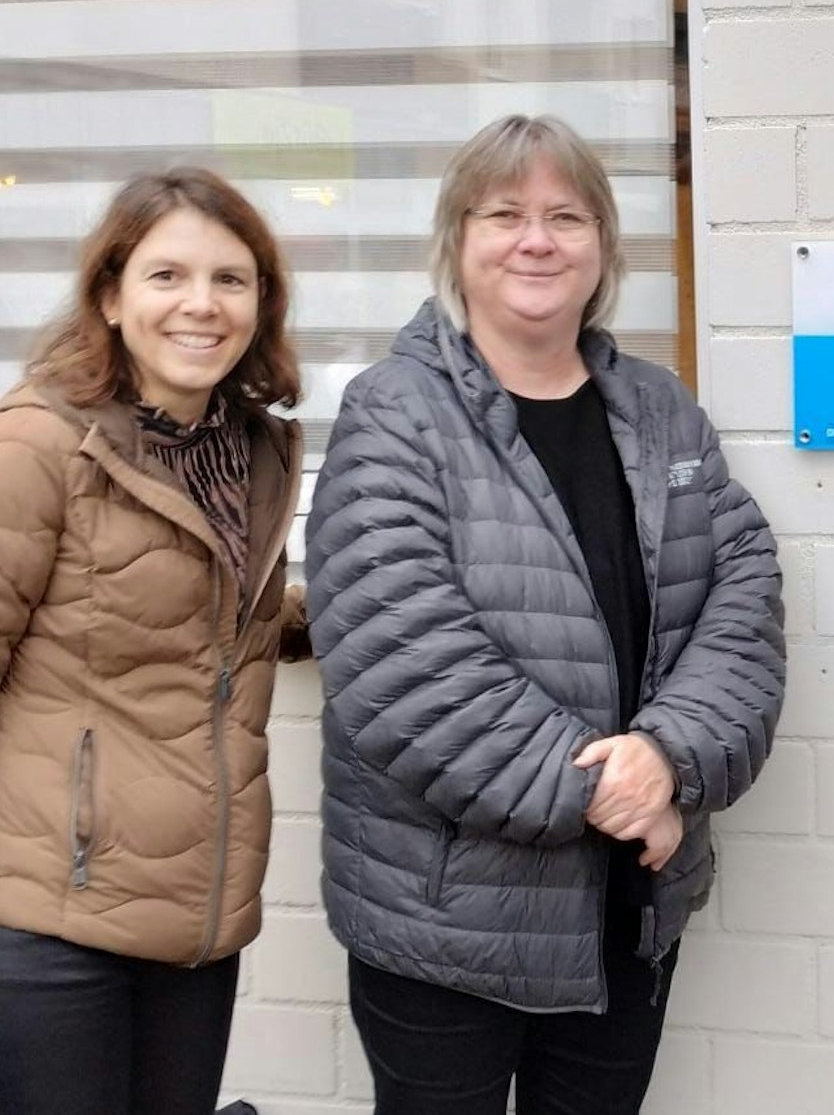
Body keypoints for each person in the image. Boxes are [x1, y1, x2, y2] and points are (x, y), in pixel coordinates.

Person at [305, 113, 784, 1115]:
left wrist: (669, 758)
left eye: (567, 216)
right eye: (504, 214)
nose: (537, 239)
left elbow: (741, 598)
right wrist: (613, 795)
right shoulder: (393, 412)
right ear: (458, 243)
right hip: (446, 925)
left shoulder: (659, 412)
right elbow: (405, 662)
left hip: (626, 907)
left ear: (602, 248)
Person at [0, 168, 307, 1113]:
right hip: (43, 938)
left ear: (260, 303)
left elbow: (201, 612)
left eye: (231, 280)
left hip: (195, 932)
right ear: (110, 297)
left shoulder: (254, 453)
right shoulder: (31, 451)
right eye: (166, 276)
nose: (200, 304)